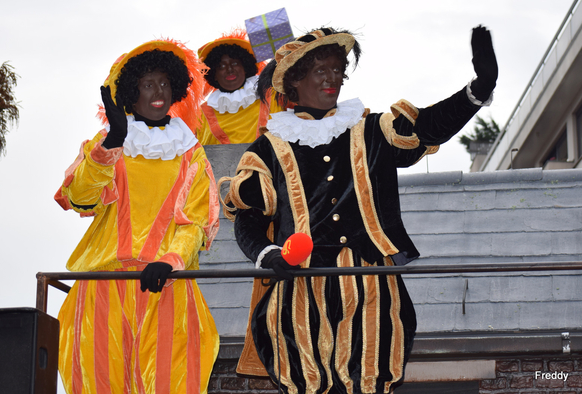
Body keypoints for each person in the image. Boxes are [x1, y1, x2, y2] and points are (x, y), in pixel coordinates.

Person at [221, 27, 497, 394]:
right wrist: (267, 253)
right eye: (322, 70)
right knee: (304, 375)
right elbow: (248, 217)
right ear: (295, 81)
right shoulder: (269, 147)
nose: (333, 78)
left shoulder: (372, 130)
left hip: (368, 276)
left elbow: (429, 127)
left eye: (338, 69)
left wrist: (475, 92)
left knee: (372, 370)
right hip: (301, 282)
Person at [54, 39, 220, 394]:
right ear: (132, 92)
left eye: (163, 82)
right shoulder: (105, 144)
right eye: (147, 83)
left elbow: (197, 220)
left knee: (173, 383)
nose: (158, 91)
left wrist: (171, 261)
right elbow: (81, 199)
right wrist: (113, 142)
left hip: (166, 285)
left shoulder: (191, 151)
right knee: (100, 382)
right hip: (104, 287)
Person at [195, 29, 287, 145]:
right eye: (221, 66)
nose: (229, 69)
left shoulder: (273, 95)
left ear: (245, 67)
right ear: (214, 74)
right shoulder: (201, 114)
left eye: (234, 63)